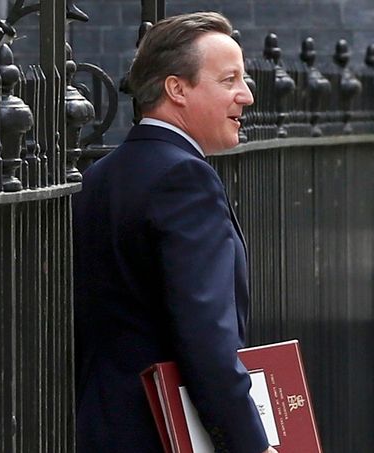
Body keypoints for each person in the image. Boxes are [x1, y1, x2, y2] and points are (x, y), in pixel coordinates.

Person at [72, 12, 277, 453]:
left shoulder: (100, 174)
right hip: (161, 432)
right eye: (229, 80)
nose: (246, 96)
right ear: (176, 89)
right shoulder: (185, 178)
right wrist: (249, 443)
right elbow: (207, 339)